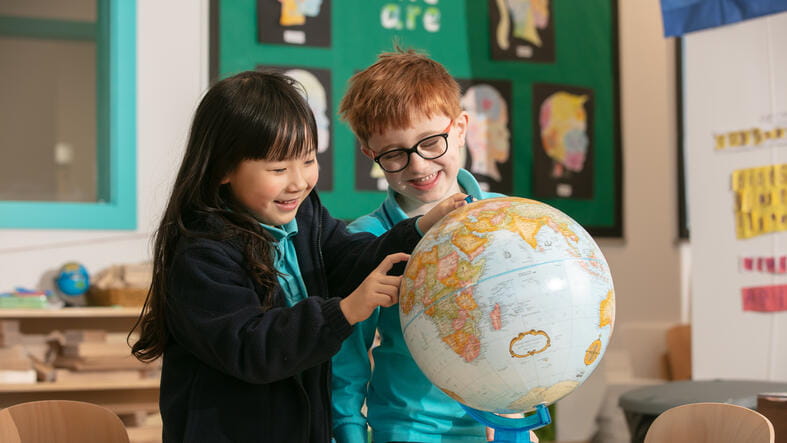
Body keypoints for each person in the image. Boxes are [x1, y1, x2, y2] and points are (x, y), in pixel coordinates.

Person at [129, 70, 466, 442]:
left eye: (308, 161)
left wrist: (418, 228)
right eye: (278, 169)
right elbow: (253, 348)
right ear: (223, 169)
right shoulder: (202, 253)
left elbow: (352, 259)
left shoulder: (305, 217)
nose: (299, 182)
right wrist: (345, 311)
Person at [332, 49, 532, 443]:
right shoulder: (366, 239)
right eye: (394, 154)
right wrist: (350, 436)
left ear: (460, 128)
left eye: (430, 142)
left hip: (503, 427)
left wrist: (521, 418)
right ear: (370, 154)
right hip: (409, 430)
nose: (419, 165)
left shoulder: (509, 219)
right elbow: (346, 362)